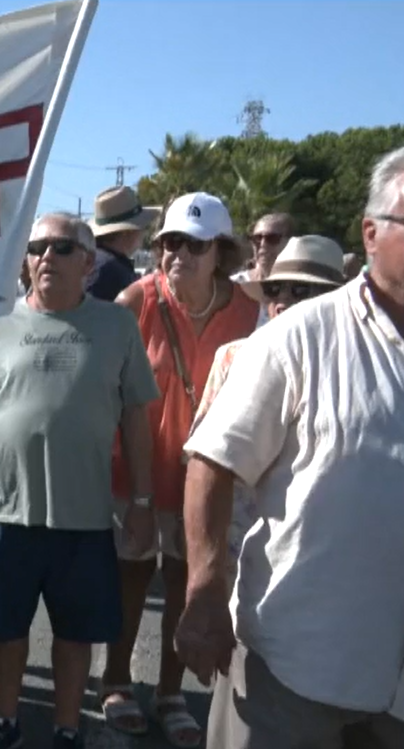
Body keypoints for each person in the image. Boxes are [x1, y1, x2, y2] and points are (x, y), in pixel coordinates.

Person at [178, 146, 404, 749]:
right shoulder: (298, 339)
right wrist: (203, 593)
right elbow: (212, 460)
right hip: (295, 666)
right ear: (372, 232)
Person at [0, 213, 158, 749]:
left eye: (62, 248)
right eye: (37, 247)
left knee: (74, 634)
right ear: (25, 261)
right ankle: (6, 721)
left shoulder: (117, 326)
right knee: (6, 632)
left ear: (89, 264)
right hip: (7, 510)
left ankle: (68, 727)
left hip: (85, 514)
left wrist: (142, 501)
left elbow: (137, 417)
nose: (47, 256)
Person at [102, 192, 256, 748]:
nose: (178, 254)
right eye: (169, 242)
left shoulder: (249, 313)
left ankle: (170, 692)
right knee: (130, 580)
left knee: (189, 585)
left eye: (194, 244)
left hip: (207, 481)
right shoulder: (135, 301)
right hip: (135, 476)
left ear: (221, 252)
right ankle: (116, 680)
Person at [189, 235, 347, 591]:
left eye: (301, 291)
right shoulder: (233, 357)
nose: (283, 302)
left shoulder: (353, 369)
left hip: (318, 552)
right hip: (239, 545)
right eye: (275, 290)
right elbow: (201, 461)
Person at [86, 186, 159, 301]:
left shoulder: (94, 261)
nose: (144, 232)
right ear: (127, 232)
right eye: (142, 226)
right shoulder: (110, 271)